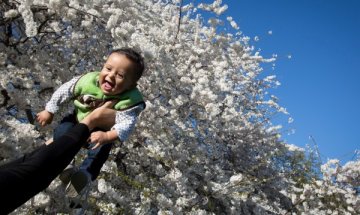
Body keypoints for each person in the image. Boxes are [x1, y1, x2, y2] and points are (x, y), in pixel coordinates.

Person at [36, 48, 146, 194]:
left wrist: (107, 136)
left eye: (120, 75)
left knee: (100, 152)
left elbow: (127, 124)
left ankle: (84, 175)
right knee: (62, 132)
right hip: (76, 120)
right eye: (108, 68)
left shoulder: (129, 100)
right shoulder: (88, 81)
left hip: (101, 131)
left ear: (131, 85)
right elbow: (65, 90)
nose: (111, 76)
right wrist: (49, 110)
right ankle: (65, 163)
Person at [0, 104, 116, 214]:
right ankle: (85, 173)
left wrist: (49, 111)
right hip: (87, 122)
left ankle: (81, 171)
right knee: (32, 172)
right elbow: (31, 169)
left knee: (31, 166)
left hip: (77, 126)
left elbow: (27, 164)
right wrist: (93, 121)